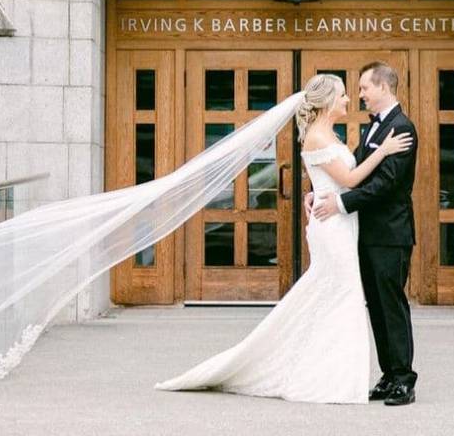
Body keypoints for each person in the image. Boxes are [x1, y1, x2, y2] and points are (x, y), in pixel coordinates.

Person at [155, 73, 412, 404]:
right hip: (332, 227)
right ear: (328, 101)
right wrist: (382, 152)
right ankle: (336, 377)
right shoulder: (319, 137)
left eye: (357, 91)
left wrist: (316, 190)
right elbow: (350, 176)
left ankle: (354, 375)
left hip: (340, 222)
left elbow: (336, 177)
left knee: (336, 297)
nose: (351, 99)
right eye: (345, 94)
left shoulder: (331, 134)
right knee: (340, 295)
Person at [310, 61, 419, 406]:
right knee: (376, 306)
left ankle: (404, 379)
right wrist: (322, 190)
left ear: (383, 87)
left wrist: (339, 204)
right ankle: (389, 375)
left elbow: (385, 185)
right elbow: (353, 170)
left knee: (392, 306)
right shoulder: (375, 128)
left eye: (363, 88)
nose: (359, 96)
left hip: (390, 235)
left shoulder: (402, 128)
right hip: (367, 234)